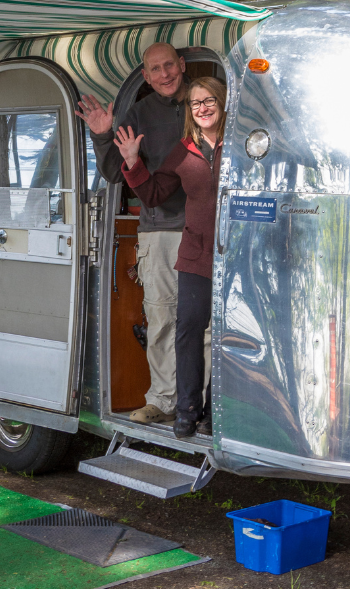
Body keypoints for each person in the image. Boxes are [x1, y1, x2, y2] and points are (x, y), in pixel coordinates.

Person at [75, 42, 188, 425]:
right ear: (145, 76)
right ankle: (162, 400)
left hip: (208, 228)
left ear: (182, 65)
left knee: (202, 321)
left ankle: (199, 404)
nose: (164, 75)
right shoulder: (139, 113)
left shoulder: (206, 101)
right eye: (155, 69)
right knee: (161, 318)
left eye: (169, 65)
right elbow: (114, 173)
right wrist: (103, 136)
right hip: (160, 232)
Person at [113, 77, 226, 439]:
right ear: (190, 111)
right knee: (189, 330)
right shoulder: (185, 149)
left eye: (209, 101)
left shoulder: (240, 147)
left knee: (225, 335)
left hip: (235, 256)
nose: (203, 108)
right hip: (195, 254)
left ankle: (213, 411)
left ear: (222, 104)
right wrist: (132, 162)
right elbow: (155, 193)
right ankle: (187, 410)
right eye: (195, 103)